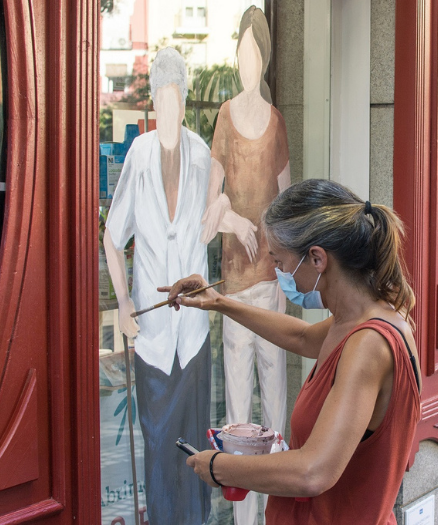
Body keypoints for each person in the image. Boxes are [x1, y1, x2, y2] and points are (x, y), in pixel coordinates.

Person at [162, 179, 422, 524]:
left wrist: (220, 466)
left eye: (280, 260)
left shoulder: (369, 343)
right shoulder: (359, 319)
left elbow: (312, 472)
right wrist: (220, 303)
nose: (277, 271)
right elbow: (301, 337)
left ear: (317, 258)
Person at [104, 47, 212, 524]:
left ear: (184, 102)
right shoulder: (140, 154)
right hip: (151, 338)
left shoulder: (203, 153)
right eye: (160, 101)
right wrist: (125, 302)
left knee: (196, 452)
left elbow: (212, 226)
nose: (168, 110)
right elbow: (112, 238)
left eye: (175, 99)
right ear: (152, 103)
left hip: (193, 337)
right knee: (157, 447)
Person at [199, 7, 291, 523]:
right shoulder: (224, 118)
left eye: (253, 54)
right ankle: (241, 517)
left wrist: (285, 270)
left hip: (272, 283)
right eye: (240, 55)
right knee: (238, 413)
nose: (245, 64)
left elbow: (288, 205)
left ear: (265, 58)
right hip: (234, 286)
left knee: (274, 402)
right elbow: (207, 209)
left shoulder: (275, 122)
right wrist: (231, 217)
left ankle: (276, 512)